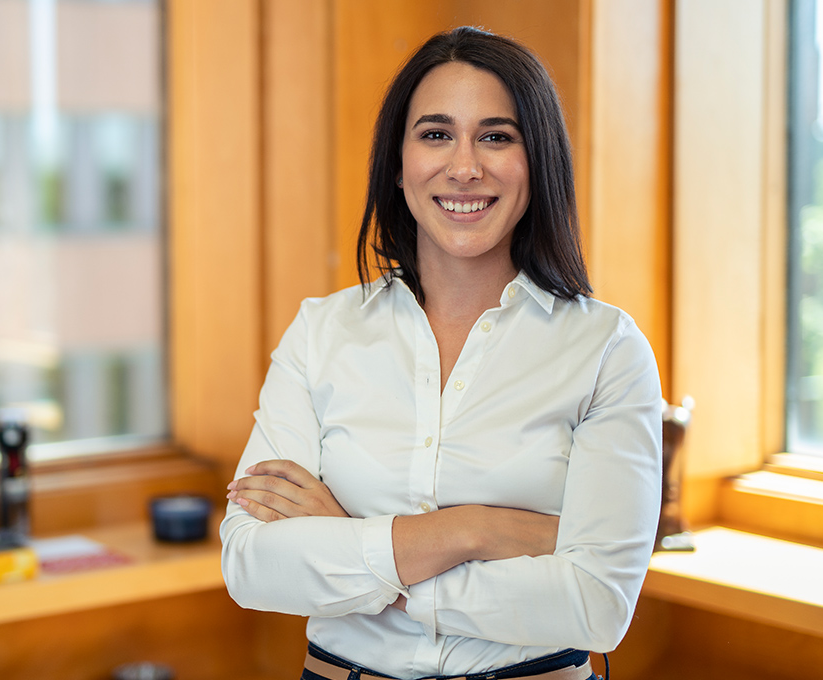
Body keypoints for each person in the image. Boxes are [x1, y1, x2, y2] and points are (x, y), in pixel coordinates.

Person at [220, 26, 662, 680]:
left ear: (536, 160)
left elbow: (596, 607)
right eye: (435, 134)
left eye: (496, 136)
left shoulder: (605, 351)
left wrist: (359, 553)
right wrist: (475, 532)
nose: (464, 166)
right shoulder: (322, 333)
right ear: (398, 165)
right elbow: (253, 566)